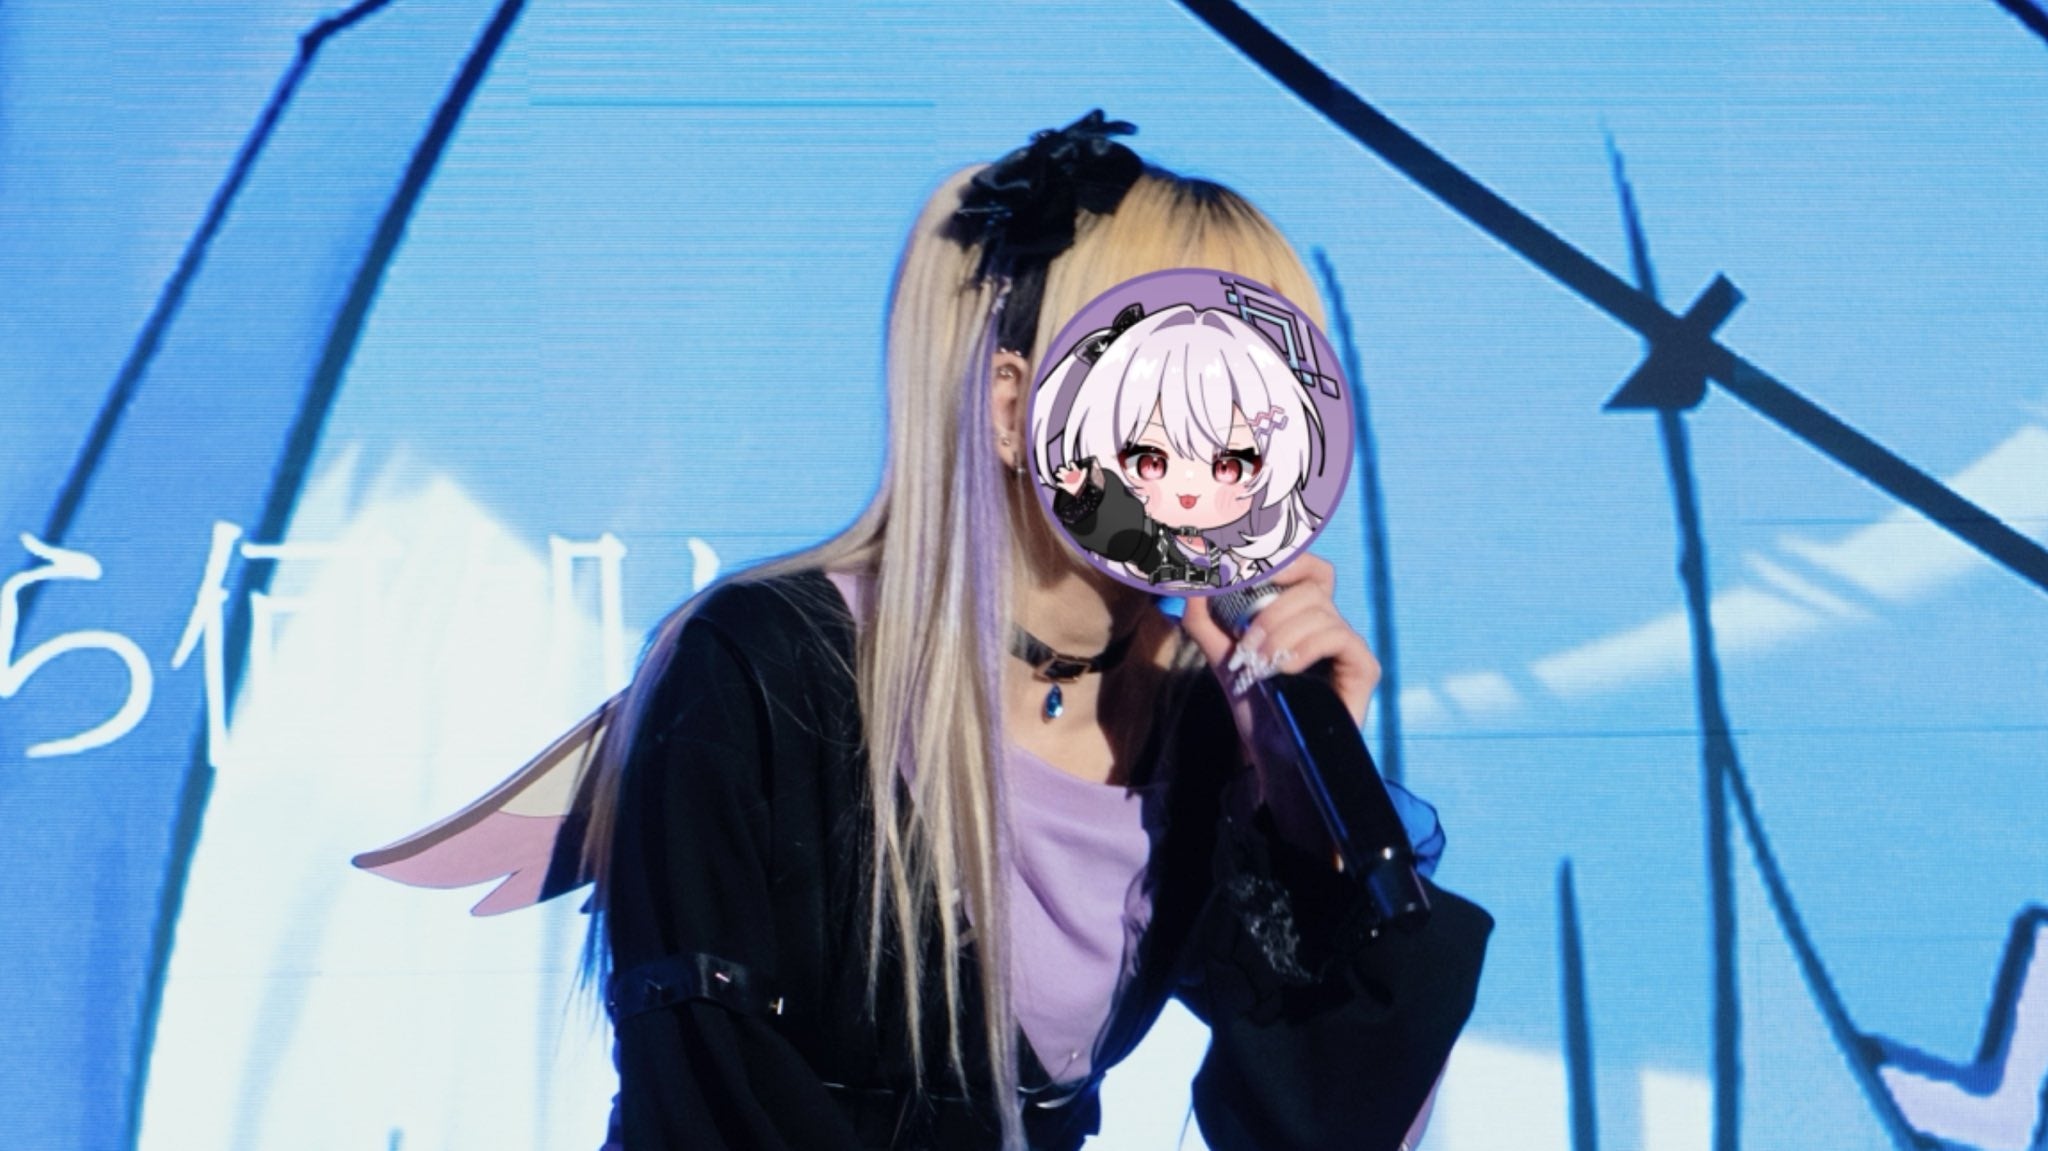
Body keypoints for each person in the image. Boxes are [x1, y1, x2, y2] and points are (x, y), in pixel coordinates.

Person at [584, 111, 1492, 1151]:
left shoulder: (1197, 725)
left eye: (1257, 422)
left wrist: (1298, 810)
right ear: (1014, 411)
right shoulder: (763, 667)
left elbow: (1314, 1127)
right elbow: (702, 1094)